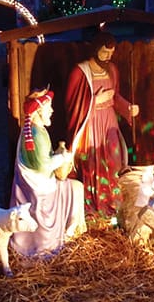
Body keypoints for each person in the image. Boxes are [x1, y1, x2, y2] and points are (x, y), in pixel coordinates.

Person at [64, 31, 139, 216]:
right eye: (105, 52)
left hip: (109, 121)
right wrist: (94, 101)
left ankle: (112, 202)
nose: (108, 56)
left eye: (111, 53)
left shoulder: (112, 70)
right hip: (90, 123)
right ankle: (93, 204)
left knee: (114, 159)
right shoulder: (80, 72)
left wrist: (128, 108)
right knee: (92, 160)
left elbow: (115, 96)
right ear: (96, 49)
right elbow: (71, 104)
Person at [10, 88, 86, 257]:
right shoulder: (35, 135)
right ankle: (64, 236)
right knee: (76, 189)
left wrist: (58, 155)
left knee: (76, 187)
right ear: (38, 110)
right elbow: (43, 166)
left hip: (41, 183)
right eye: (48, 108)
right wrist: (63, 157)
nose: (51, 111)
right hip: (40, 190)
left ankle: (72, 231)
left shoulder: (37, 130)